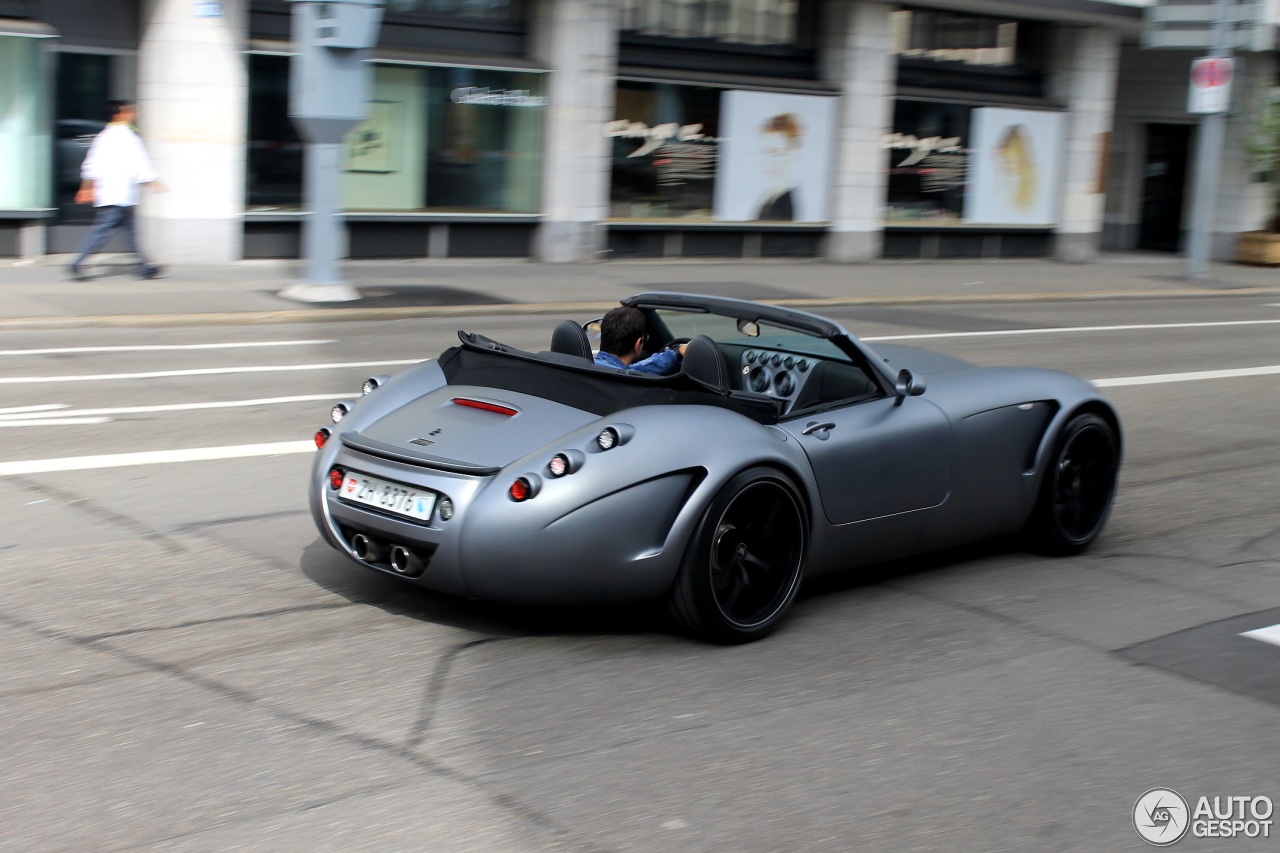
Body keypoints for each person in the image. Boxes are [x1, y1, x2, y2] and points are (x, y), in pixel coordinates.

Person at [68, 100, 165, 281]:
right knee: (102, 231)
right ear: (118, 114)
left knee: (129, 233)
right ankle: (77, 262)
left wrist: (86, 187)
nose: (133, 114)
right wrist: (152, 181)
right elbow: (140, 163)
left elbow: (91, 164)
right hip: (121, 193)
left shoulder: (103, 136)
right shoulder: (128, 137)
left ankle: (144, 267)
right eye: (129, 111)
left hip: (109, 192)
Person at [593, 306, 687, 375]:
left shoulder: (584, 367)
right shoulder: (626, 380)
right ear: (638, 344)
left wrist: (675, 353)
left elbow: (636, 370)